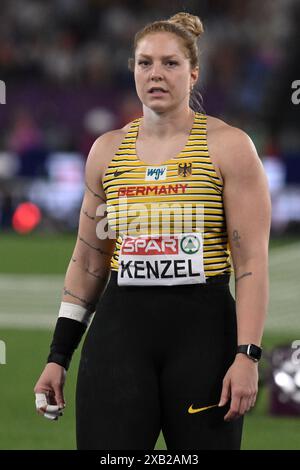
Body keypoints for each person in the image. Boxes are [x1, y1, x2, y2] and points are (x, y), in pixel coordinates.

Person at [34, 12, 271, 450]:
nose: (155, 74)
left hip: (203, 337)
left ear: (193, 73)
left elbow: (252, 263)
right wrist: (58, 357)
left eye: (170, 63)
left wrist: (247, 355)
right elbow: (88, 261)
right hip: (121, 334)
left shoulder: (229, 147)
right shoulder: (106, 152)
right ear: (133, 70)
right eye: (145, 63)